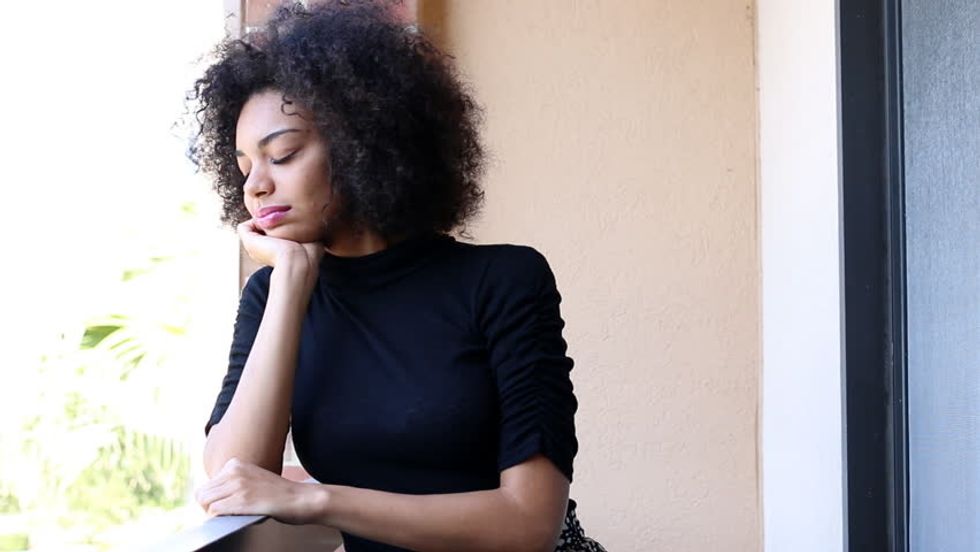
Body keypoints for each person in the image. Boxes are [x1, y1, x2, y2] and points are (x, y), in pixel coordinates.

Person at [185, 2, 606, 551]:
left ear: (361, 143)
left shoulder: (503, 281)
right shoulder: (272, 297)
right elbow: (232, 478)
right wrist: (288, 282)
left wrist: (315, 498)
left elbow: (528, 525)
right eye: (244, 167)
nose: (255, 186)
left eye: (282, 155)